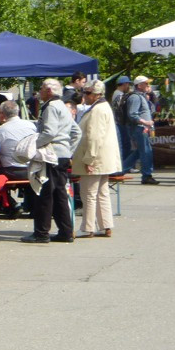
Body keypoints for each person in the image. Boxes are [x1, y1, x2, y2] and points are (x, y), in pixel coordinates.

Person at [21, 78, 81, 244]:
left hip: (51, 155)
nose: (39, 91)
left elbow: (49, 132)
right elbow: (77, 132)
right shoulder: (62, 105)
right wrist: (68, 151)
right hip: (61, 155)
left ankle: (41, 233)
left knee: (44, 193)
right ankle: (66, 231)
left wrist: (34, 146)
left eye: (41, 88)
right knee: (60, 194)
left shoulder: (51, 107)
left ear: (48, 91)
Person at [73, 80, 122, 238]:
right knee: (101, 192)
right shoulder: (103, 106)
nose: (84, 96)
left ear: (96, 95)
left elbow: (94, 137)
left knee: (89, 193)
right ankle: (105, 225)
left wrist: (89, 159)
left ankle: (88, 228)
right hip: (104, 158)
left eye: (87, 93)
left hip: (96, 157)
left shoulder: (97, 110)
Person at [119, 76, 159, 185]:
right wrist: (145, 122)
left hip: (141, 128)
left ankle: (120, 171)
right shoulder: (135, 97)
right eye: (146, 83)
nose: (148, 86)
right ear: (139, 85)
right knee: (146, 151)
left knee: (139, 152)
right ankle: (147, 175)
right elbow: (132, 114)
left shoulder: (140, 96)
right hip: (139, 129)